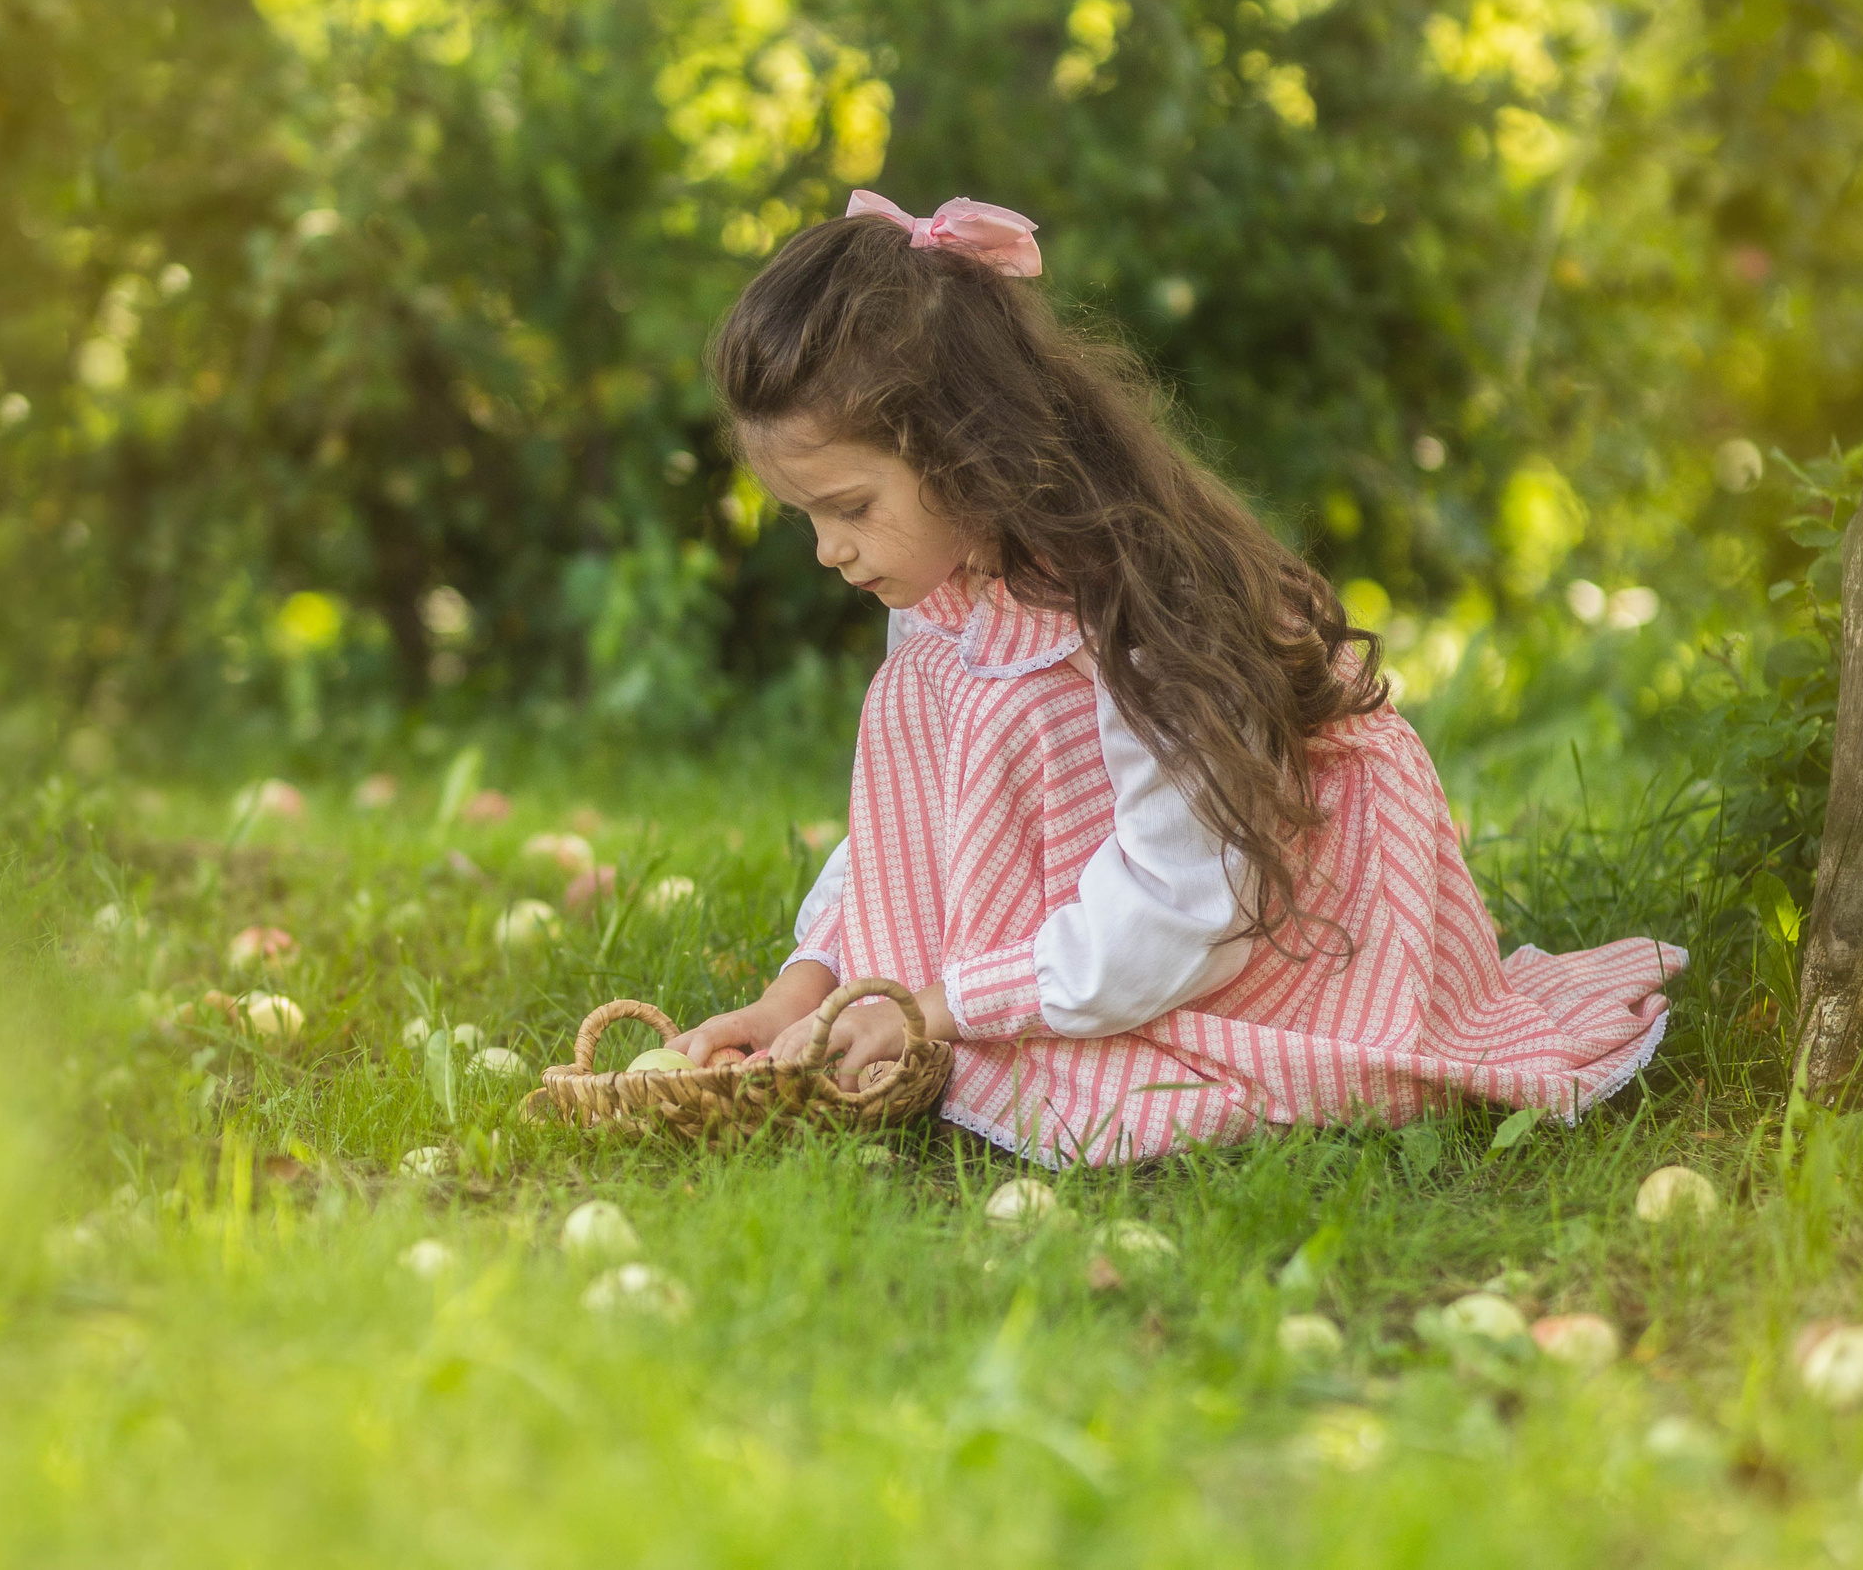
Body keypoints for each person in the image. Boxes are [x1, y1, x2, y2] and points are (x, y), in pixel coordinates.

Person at [664, 191, 1683, 1166]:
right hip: (1113, 928)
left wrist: (930, 1010)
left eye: (848, 507)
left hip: (1250, 939)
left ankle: (1052, 1009)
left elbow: (1188, 899)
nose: (827, 553)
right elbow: (911, 830)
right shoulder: (938, 602)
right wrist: (808, 990)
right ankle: (1009, 1001)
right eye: (806, 519)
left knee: (1106, 1091)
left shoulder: (1144, 617)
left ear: (966, 449)